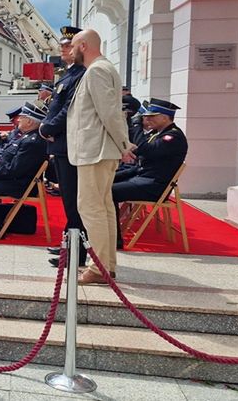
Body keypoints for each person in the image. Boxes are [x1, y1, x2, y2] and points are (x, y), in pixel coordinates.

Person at [67, 29, 133, 285]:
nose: (70, 51)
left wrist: (124, 145)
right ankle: (106, 265)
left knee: (91, 209)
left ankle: (99, 267)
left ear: (83, 45)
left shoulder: (96, 71)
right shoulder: (102, 69)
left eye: (73, 46)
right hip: (98, 150)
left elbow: (110, 113)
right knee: (103, 209)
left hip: (95, 150)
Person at [40, 25, 88, 267]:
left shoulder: (81, 74)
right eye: (62, 45)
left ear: (80, 47)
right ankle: (69, 246)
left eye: (68, 45)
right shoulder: (68, 74)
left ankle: (77, 253)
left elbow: (68, 111)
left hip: (68, 146)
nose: (63, 48)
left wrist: (46, 129)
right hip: (60, 146)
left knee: (74, 203)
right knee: (69, 202)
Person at [113, 98, 188, 246]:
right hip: (143, 179)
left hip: (153, 186)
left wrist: (136, 125)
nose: (146, 119)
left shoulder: (173, 137)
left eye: (151, 116)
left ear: (165, 117)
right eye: (146, 116)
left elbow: (143, 150)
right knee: (106, 183)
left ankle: (114, 240)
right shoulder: (157, 133)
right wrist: (114, 176)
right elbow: (139, 165)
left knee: (108, 192)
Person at [0, 102, 49, 240]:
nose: (18, 119)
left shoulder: (32, 141)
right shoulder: (27, 137)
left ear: (29, 121)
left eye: (22, 117)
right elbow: (10, 164)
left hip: (21, 184)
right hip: (17, 180)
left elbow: (14, 169)